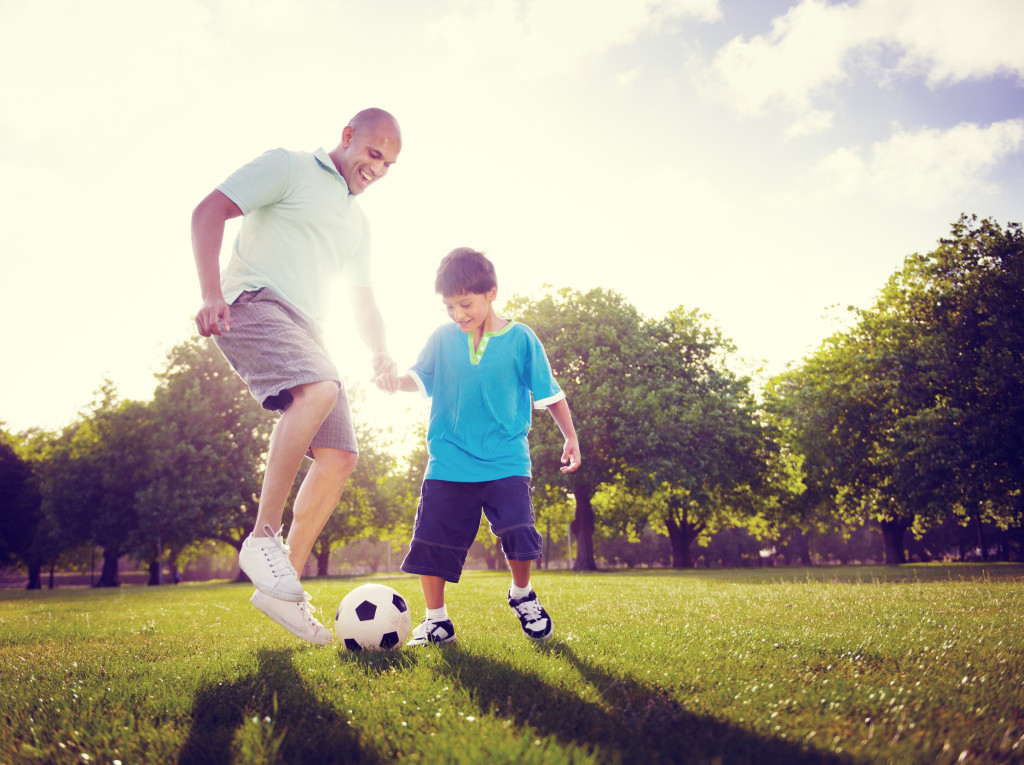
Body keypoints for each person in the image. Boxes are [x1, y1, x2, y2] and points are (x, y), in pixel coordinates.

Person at [192, 108, 402, 645]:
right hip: (253, 302)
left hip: (310, 328)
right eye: (373, 154)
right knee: (320, 388)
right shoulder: (288, 166)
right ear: (348, 136)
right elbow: (208, 210)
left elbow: (362, 299)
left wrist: (380, 350)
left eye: (389, 164)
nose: (377, 168)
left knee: (340, 457)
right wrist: (212, 292)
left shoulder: (358, 224)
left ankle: (284, 589)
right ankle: (263, 538)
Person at [378, 248, 581, 646]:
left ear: (491, 293)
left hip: (506, 458)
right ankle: (436, 621)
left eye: (465, 303)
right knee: (431, 542)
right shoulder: (442, 338)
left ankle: (522, 595)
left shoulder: (521, 338)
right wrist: (391, 382)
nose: (458, 314)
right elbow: (418, 379)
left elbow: (550, 393)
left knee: (520, 533)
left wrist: (570, 437)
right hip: (449, 461)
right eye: (449, 306)